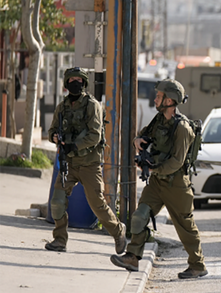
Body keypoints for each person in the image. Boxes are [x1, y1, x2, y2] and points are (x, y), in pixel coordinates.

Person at [110, 79, 208, 279]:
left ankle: (197, 265)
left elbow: (177, 162)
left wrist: (155, 168)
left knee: (185, 226)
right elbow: (143, 136)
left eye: (159, 96)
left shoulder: (182, 128)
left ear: (169, 100)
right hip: (157, 183)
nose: (155, 99)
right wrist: (138, 141)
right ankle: (132, 257)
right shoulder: (159, 120)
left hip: (176, 185)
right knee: (139, 216)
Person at [45, 67, 127, 253]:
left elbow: (95, 135)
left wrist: (74, 145)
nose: (76, 83)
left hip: (89, 165)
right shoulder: (62, 107)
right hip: (69, 164)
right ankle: (60, 240)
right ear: (66, 83)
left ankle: (118, 230)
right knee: (57, 202)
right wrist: (55, 138)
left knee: (97, 204)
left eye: (79, 80)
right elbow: (51, 131)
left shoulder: (92, 105)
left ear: (84, 83)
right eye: (72, 79)